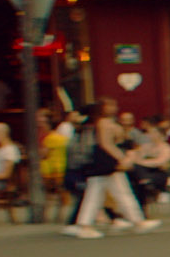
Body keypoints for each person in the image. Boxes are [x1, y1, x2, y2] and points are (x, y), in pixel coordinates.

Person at [65, 98, 160, 239]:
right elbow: (106, 144)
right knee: (100, 194)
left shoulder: (105, 122)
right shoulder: (103, 123)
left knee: (114, 193)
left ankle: (137, 221)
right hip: (105, 162)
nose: (114, 108)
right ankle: (86, 225)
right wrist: (122, 158)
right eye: (110, 105)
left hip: (106, 162)